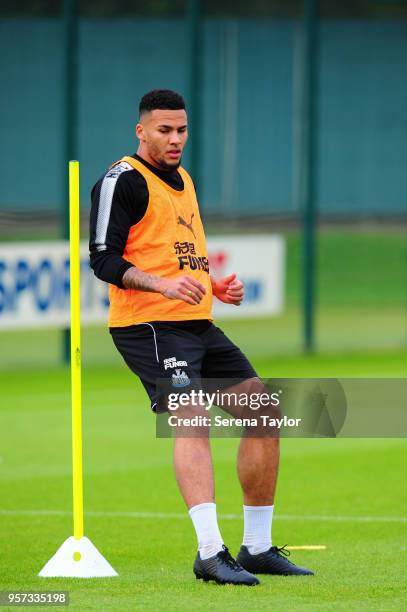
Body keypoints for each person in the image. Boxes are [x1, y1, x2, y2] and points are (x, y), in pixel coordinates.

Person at [89, 89, 313, 586]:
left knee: (264, 411)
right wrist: (164, 285)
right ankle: (210, 551)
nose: (175, 139)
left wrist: (211, 285)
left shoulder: (185, 179)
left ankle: (255, 547)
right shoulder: (121, 180)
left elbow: (171, 254)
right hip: (147, 324)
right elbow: (103, 260)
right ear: (140, 130)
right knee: (191, 416)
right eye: (164, 130)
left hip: (194, 322)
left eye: (182, 129)